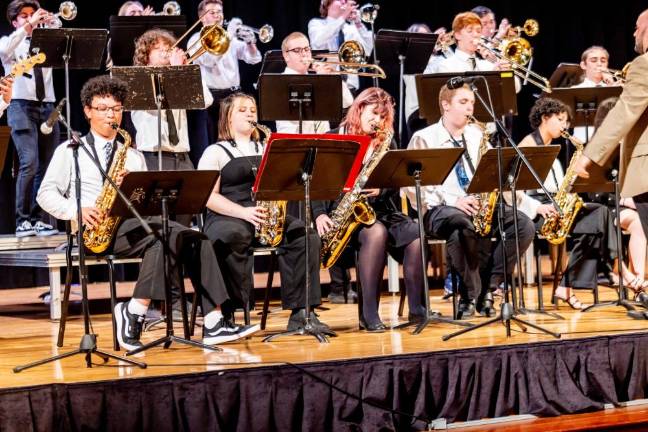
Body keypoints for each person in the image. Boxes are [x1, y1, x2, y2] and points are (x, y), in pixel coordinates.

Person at [36, 75, 259, 350]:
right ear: (88, 111)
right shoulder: (70, 151)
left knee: (193, 237)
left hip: (133, 226)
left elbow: (145, 203)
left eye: (116, 108)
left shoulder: (132, 155)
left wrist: (134, 189)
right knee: (165, 234)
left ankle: (212, 321)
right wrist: (77, 209)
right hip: (93, 231)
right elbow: (44, 194)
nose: (111, 114)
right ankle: (134, 312)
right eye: (103, 108)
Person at [197, 93, 333, 334]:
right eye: (242, 110)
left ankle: (302, 311)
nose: (250, 113)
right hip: (228, 214)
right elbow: (208, 196)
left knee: (306, 236)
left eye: (253, 109)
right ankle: (226, 313)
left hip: (266, 216)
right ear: (227, 117)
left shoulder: (268, 146)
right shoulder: (214, 151)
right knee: (231, 236)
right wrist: (243, 212)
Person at [406, 83, 534, 318]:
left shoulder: (476, 135)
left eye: (472, 103)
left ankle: (488, 287)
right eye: (463, 102)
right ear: (445, 105)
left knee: (524, 224)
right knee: (461, 225)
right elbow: (413, 187)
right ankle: (470, 294)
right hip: (439, 209)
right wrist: (454, 200)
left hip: (476, 205)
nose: (469, 108)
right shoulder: (424, 138)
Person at [312, 87, 429, 331]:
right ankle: (369, 314)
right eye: (374, 113)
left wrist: (381, 189)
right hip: (342, 215)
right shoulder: (333, 137)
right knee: (375, 232)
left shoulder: (386, 141)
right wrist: (319, 213)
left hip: (382, 209)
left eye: (383, 117)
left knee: (417, 233)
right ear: (359, 108)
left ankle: (418, 309)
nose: (377, 121)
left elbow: (394, 182)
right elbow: (317, 181)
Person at [513, 98, 617, 309]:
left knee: (600, 213)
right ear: (545, 118)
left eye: (567, 121)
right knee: (594, 225)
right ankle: (611, 270)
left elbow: (557, 186)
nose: (565, 126)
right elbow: (513, 191)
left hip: (554, 203)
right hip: (537, 209)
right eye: (560, 120)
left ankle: (567, 284)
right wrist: (539, 208)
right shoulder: (528, 145)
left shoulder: (552, 147)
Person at [575, 8, 648, 306]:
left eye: (637, 27)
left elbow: (623, 114)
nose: (633, 33)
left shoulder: (644, 65)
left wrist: (590, 156)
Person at [0, 0, 59, 238]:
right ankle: (22, 220)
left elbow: (65, 41)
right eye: (23, 16)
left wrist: (52, 22)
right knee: (29, 162)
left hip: (47, 105)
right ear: (15, 21)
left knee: (47, 166)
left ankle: (38, 219)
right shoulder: (8, 42)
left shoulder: (46, 40)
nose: (30, 18)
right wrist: (28, 26)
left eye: (32, 14)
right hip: (19, 105)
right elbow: (4, 52)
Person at [186, 0, 262, 165]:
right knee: (217, 142)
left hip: (234, 95)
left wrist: (251, 43)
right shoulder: (195, 39)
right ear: (201, 17)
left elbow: (254, 58)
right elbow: (209, 60)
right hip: (213, 99)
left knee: (237, 141)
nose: (217, 15)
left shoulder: (229, 38)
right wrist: (229, 35)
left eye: (219, 11)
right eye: (212, 12)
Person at [131, 28, 213, 173]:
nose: (165, 52)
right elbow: (160, 98)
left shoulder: (178, 78)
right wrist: (176, 70)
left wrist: (188, 71)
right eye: (158, 48)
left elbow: (206, 101)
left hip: (182, 156)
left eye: (168, 48)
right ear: (146, 55)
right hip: (153, 157)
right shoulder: (138, 79)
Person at [587, 97, 648, 290]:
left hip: (621, 205)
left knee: (640, 220)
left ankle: (638, 275)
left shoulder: (628, 146)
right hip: (602, 207)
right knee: (635, 219)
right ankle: (630, 275)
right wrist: (623, 198)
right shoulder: (599, 150)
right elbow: (592, 192)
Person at [276, 32, 354, 134]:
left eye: (307, 49)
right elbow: (301, 115)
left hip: (323, 141)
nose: (304, 54)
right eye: (297, 50)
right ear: (286, 55)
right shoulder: (279, 82)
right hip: (292, 142)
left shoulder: (318, 79)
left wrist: (333, 78)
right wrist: (319, 81)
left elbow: (348, 102)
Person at [308, 0, 373, 92]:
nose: (344, 1)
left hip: (350, 87)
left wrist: (358, 24)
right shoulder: (316, 24)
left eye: (346, 0)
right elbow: (319, 42)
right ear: (327, 3)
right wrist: (343, 17)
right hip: (327, 84)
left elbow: (368, 51)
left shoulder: (351, 29)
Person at [571, 46, 620, 143]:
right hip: (584, 144)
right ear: (583, 65)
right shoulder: (575, 90)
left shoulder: (616, 89)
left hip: (612, 144)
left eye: (603, 61)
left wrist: (612, 86)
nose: (599, 64)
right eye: (593, 60)